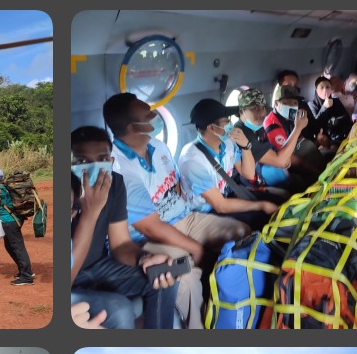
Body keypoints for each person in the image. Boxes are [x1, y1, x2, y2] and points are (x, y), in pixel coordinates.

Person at [105, 92, 250, 327]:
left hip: (184, 217)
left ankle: (231, 303)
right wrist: (194, 247)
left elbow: (176, 188)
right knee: (185, 274)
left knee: (241, 232)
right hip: (145, 238)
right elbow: (150, 227)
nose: (153, 123)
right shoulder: (119, 168)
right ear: (133, 126)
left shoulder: (158, 146)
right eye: (148, 118)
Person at [70, 127, 178, 329]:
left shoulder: (115, 183)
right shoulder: (68, 193)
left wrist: (145, 258)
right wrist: (90, 212)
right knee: (120, 309)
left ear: (110, 162)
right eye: (82, 162)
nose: (93, 167)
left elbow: (120, 244)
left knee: (163, 276)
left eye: (101, 159)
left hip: (98, 266)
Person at [177, 98, 278, 229]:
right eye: (226, 122)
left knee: (275, 201)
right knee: (258, 219)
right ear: (212, 128)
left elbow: (248, 173)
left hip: (225, 195)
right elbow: (220, 206)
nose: (231, 124)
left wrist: (246, 146)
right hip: (205, 211)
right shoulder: (192, 161)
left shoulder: (228, 144)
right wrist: (261, 205)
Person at [234, 86, 308, 195]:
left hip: (264, 172)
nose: (259, 112)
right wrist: (298, 128)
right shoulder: (243, 133)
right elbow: (280, 161)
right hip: (249, 183)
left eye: (262, 107)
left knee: (300, 180)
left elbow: (272, 152)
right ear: (242, 112)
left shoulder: (256, 126)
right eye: (254, 109)